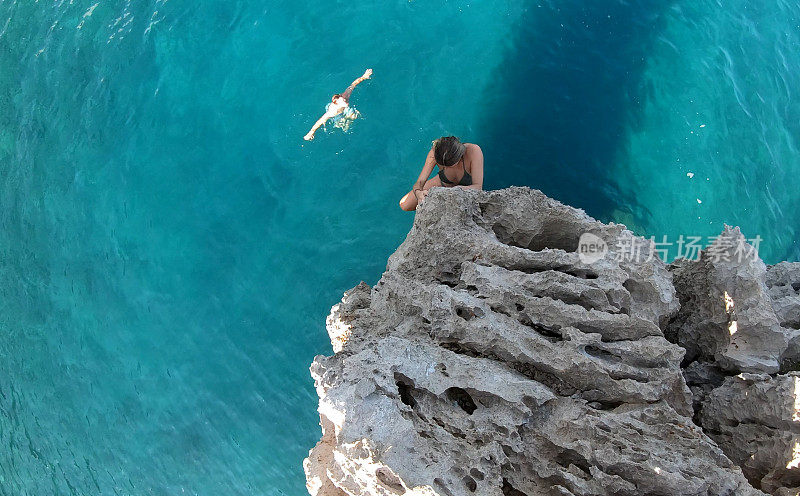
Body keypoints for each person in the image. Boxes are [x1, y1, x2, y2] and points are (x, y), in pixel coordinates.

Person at [399, 136, 484, 211]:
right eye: (443, 166)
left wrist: (452, 191)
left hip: (464, 190)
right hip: (443, 184)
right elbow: (420, 182)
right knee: (404, 204)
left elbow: (478, 187)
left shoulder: (473, 151)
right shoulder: (435, 152)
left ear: (459, 157)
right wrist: (418, 193)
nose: (446, 168)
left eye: (450, 165)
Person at [304, 69, 372, 140]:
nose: (345, 101)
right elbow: (319, 121)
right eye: (342, 102)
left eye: (344, 99)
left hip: (343, 109)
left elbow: (353, 84)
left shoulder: (345, 95)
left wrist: (364, 76)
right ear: (337, 104)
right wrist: (310, 133)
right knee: (347, 124)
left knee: (354, 115)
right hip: (337, 114)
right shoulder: (333, 112)